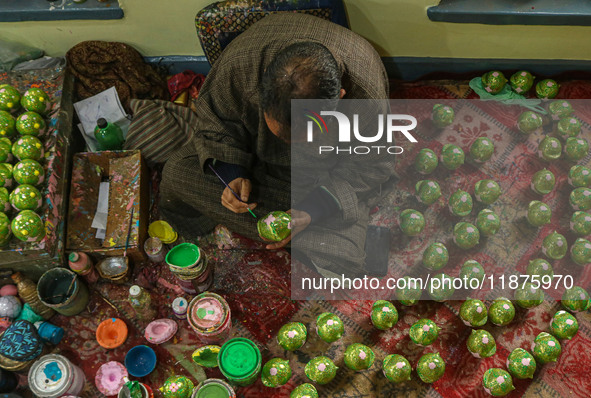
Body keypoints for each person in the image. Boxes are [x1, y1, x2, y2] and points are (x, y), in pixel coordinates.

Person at [160, 13, 396, 276]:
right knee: (177, 173)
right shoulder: (240, 66)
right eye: (282, 133)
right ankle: (298, 237)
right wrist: (231, 173)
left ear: (339, 99)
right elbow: (218, 123)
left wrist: (310, 211)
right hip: (255, 162)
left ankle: (304, 232)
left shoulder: (365, 99)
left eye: (308, 134)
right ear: (261, 93)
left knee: (343, 259)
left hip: (318, 178)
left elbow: (369, 167)